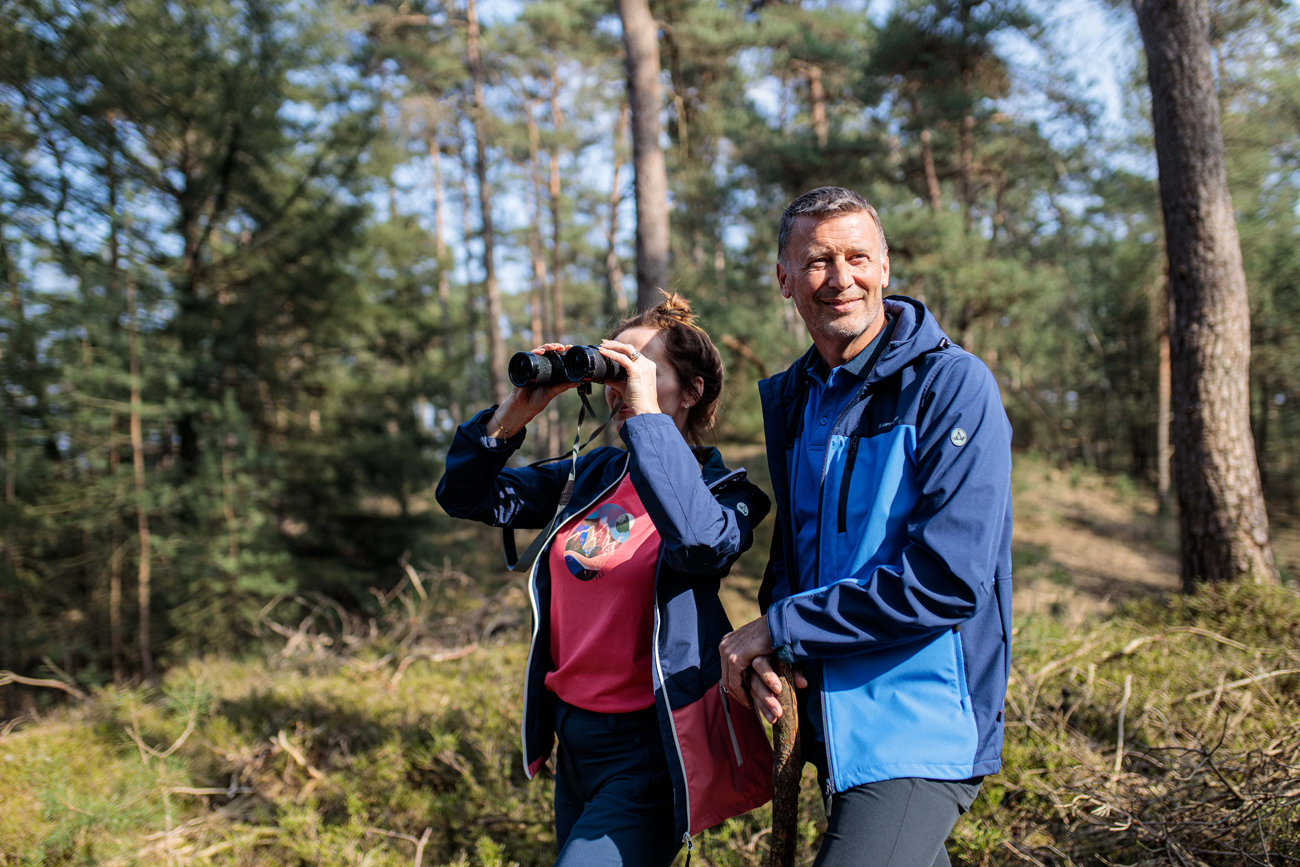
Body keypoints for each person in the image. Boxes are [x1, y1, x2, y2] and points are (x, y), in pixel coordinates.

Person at [718, 187, 1013, 867]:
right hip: (832, 724)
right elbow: (799, 558)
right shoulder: (792, 399)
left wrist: (783, 626)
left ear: (884, 267)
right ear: (784, 279)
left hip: (919, 724)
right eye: (818, 260)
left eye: (857, 256)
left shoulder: (951, 385)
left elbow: (946, 579)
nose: (840, 277)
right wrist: (777, 654)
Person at [437, 294, 774, 867]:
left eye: (637, 370)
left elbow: (698, 543)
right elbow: (465, 496)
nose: (620, 385)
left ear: (691, 392)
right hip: (575, 744)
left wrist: (646, 421)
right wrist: (513, 415)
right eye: (614, 368)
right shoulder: (593, 474)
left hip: (647, 749)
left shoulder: (729, 494)